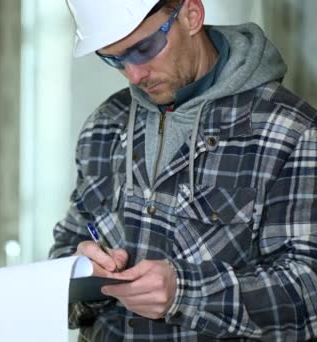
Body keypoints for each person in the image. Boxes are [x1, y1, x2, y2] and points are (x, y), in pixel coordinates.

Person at [49, 0, 317, 340]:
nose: (134, 75)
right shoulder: (105, 124)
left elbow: (307, 295)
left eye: (144, 48)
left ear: (191, 15)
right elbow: (64, 249)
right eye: (113, 58)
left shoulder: (290, 131)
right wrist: (79, 268)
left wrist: (185, 293)